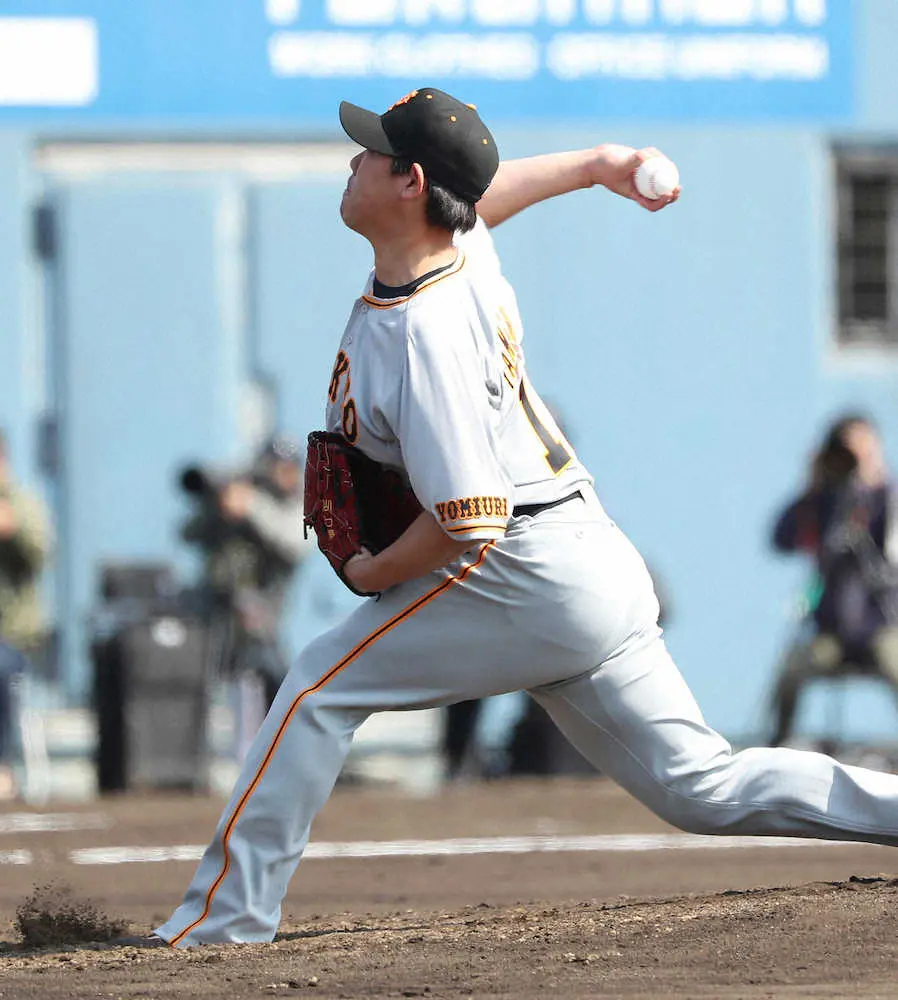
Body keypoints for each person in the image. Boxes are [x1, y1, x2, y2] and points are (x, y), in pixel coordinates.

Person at [154, 87, 898, 949]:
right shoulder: (458, 250)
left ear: (410, 183)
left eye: (370, 152)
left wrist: (371, 573)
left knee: (317, 688)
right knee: (702, 786)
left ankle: (224, 922)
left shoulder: (426, 330)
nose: (352, 160)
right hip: (593, 559)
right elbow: (486, 198)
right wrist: (596, 164)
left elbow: (473, 517)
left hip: (524, 567)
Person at [768, 414, 898, 747]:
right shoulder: (824, 503)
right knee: (792, 670)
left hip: (882, 628)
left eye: (864, 447)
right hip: (832, 635)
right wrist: (811, 488)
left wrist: (875, 488)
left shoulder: (889, 499)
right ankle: (776, 749)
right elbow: (782, 539)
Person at [181, 435, 314, 714]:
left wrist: (251, 505)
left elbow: (295, 541)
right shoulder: (250, 488)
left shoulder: (298, 499)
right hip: (219, 605)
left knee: (272, 676)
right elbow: (188, 534)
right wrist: (217, 507)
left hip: (264, 609)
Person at [0, 430, 52, 800]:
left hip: (13, 635)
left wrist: (13, 528)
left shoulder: (22, 503)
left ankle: (2, 767)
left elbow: (41, 552)